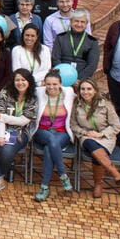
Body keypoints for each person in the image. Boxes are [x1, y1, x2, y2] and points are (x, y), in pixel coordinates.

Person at [69, 78, 120, 197]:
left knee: (96, 153)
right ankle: (112, 171)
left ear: (95, 91)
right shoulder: (76, 104)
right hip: (86, 135)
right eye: (83, 89)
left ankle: (98, 184)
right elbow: (73, 124)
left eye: (89, 89)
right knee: (91, 144)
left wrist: (101, 134)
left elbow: (116, 126)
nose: (85, 92)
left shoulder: (106, 104)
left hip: (105, 136)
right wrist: (85, 132)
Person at [32, 69, 75, 202]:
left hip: (62, 131)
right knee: (51, 140)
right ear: (44, 84)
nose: (51, 87)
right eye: (48, 84)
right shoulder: (38, 92)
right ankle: (63, 174)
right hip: (42, 131)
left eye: (55, 84)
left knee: (49, 148)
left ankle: (44, 187)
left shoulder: (69, 93)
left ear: (61, 84)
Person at [50, 9, 99, 81]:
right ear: (70, 21)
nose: (79, 24)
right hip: (61, 77)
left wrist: (77, 79)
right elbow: (55, 59)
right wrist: (65, 77)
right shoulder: (61, 38)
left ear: (86, 24)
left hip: (82, 80)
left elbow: (92, 65)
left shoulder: (92, 41)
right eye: (76, 21)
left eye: (82, 22)